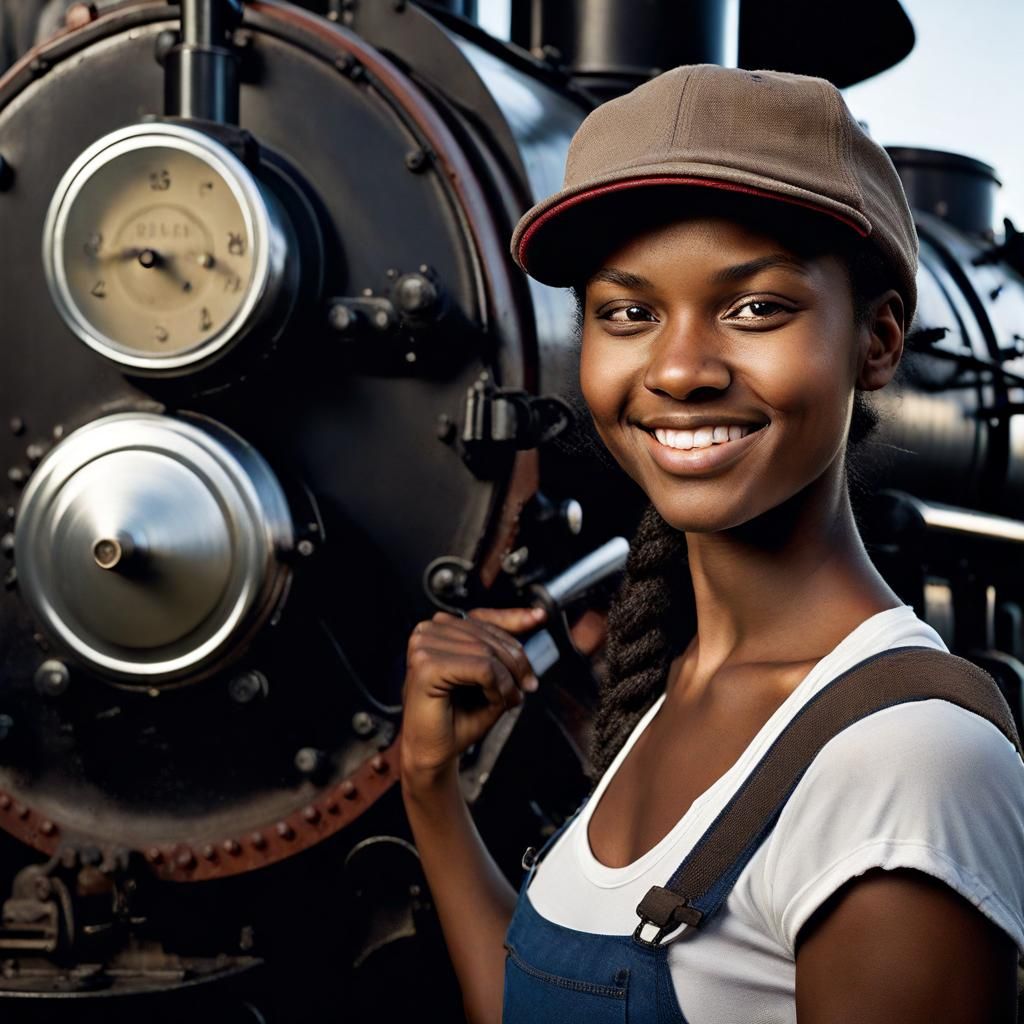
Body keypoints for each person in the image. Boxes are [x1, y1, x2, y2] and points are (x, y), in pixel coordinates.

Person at [399, 64, 1024, 1023]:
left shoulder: (909, 761)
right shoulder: (678, 683)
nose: (681, 368)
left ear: (879, 340)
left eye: (755, 308)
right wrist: (430, 786)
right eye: (629, 314)